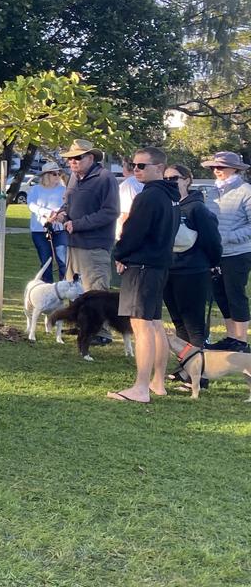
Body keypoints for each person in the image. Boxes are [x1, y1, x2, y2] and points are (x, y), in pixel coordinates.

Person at [107, 146, 179, 403]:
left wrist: (120, 255)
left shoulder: (148, 197)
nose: (135, 170)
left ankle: (140, 388)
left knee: (142, 325)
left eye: (141, 166)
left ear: (158, 168)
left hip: (143, 266)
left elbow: (133, 232)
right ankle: (157, 382)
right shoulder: (170, 196)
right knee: (154, 323)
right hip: (158, 266)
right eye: (134, 165)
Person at [162, 164, 221, 347]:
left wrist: (213, 263)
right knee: (178, 322)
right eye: (166, 179)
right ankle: (187, 367)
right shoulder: (166, 205)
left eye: (174, 178)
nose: (169, 182)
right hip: (169, 269)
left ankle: (199, 372)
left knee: (194, 325)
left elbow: (212, 240)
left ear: (187, 180)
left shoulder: (197, 208)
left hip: (193, 270)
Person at [52, 139, 118, 292]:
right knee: (72, 294)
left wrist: (77, 224)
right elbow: (68, 204)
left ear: (91, 158)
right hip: (73, 244)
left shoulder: (105, 178)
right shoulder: (73, 178)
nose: (73, 161)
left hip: (94, 248)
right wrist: (62, 214)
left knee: (94, 296)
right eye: (70, 158)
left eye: (78, 157)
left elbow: (110, 211)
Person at [202, 151, 251, 350]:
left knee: (235, 294)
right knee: (220, 294)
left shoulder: (246, 190)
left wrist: (228, 237)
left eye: (221, 167)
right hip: (216, 253)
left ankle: (241, 341)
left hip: (238, 253)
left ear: (235, 169)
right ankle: (231, 337)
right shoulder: (213, 191)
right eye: (214, 167)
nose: (216, 170)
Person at [26, 162, 68, 283]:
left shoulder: (63, 190)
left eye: (59, 174)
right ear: (46, 175)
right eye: (54, 174)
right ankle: (47, 289)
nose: (58, 176)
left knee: (63, 260)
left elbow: (66, 206)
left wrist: (58, 214)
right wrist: (46, 213)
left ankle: (64, 287)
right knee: (46, 261)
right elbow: (31, 205)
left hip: (59, 229)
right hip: (40, 230)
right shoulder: (35, 189)